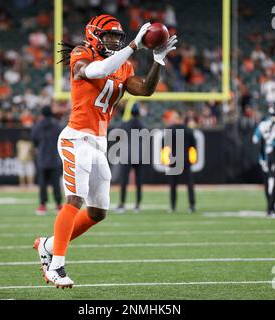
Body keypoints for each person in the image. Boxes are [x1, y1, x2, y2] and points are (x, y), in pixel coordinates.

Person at [33, 15, 177, 288]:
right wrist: (134, 46)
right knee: (75, 200)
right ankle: (57, 266)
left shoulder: (124, 66)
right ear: (93, 35)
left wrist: (158, 59)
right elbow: (96, 72)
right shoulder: (81, 53)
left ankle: (48, 245)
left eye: (117, 37)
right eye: (109, 36)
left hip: (99, 143)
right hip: (76, 138)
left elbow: (145, 89)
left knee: (98, 211)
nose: (113, 41)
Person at [31, 106, 63, 215]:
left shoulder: (38, 126)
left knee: (42, 184)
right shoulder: (57, 125)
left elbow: (34, 140)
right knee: (56, 184)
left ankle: (42, 205)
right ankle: (58, 205)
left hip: (42, 158)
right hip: (55, 158)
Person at [163, 109, 196, 213]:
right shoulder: (188, 130)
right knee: (189, 184)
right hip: (185, 159)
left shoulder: (170, 129)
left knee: (173, 185)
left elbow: (165, 145)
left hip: (174, 160)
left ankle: (173, 206)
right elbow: (193, 145)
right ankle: (191, 205)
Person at [116, 104, 145, 213]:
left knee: (124, 181)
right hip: (139, 154)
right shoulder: (142, 125)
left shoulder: (125, 124)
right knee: (139, 181)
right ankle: (137, 204)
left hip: (126, 154)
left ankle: (122, 204)